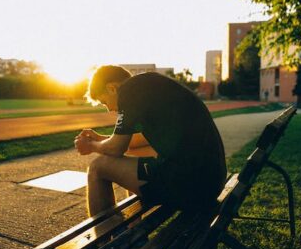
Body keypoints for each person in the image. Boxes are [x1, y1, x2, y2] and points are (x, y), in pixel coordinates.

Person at [74, 65, 226, 217]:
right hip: (211, 180)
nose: (109, 109)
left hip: (191, 185)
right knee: (134, 155)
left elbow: (116, 148)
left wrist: (91, 146)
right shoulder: (149, 86)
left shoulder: (128, 91)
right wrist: (101, 139)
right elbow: (134, 142)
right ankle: (134, 234)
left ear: (112, 88)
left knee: (97, 167)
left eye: (104, 102)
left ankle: (108, 240)